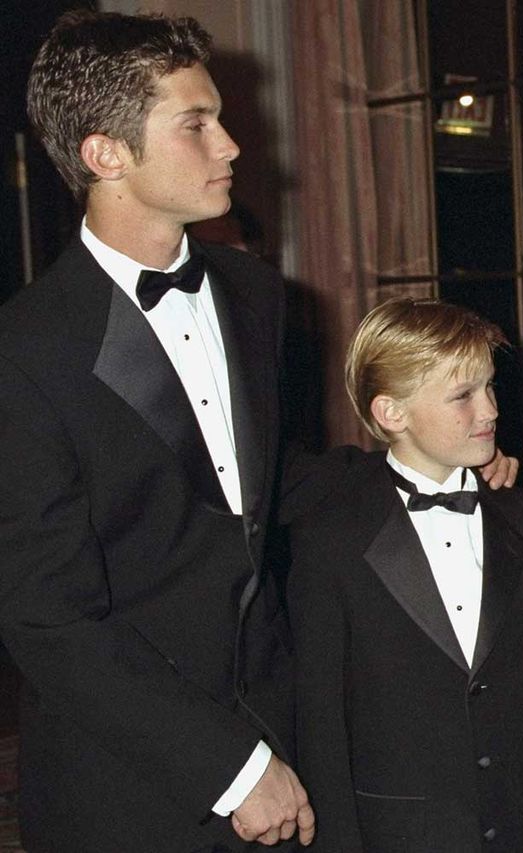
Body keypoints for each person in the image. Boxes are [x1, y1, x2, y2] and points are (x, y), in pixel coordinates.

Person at [0, 11, 312, 851]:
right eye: (197, 124)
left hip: (284, 742)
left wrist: (443, 475)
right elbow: (49, 619)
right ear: (107, 155)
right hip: (126, 791)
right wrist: (235, 767)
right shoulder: (24, 349)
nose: (232, 146)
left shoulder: (255, 294)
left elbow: (281, 487)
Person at [288, 298, 523, 852]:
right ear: (391, 413)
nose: (490, 411)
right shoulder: (330, 542)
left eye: (489, 387)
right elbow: (322, 730)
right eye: (463, 395)